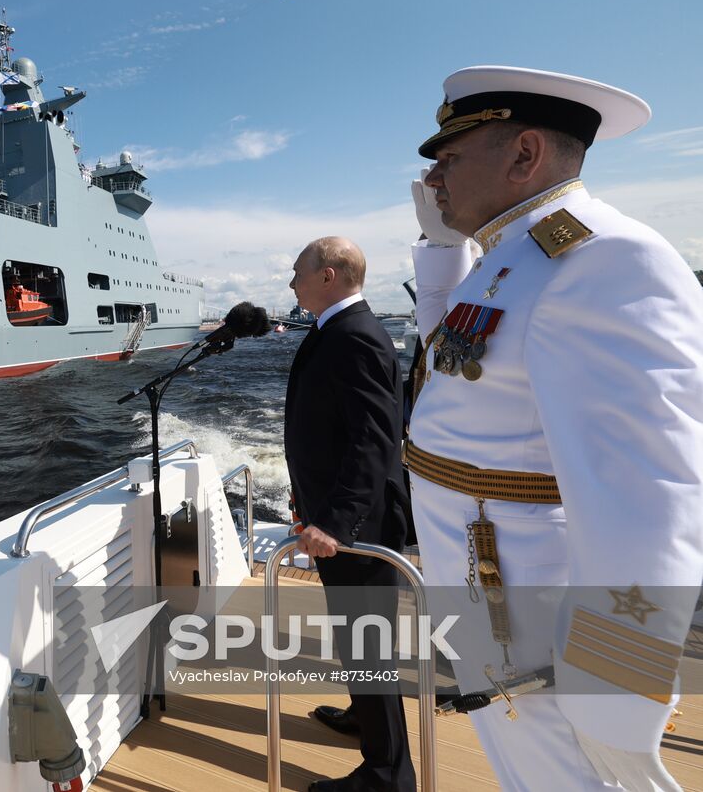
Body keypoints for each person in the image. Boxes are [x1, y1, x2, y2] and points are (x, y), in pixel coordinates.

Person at [408, 66, 703, 791]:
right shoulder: (519, 255)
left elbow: (647, 496)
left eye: (447, 159)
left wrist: (616, 695)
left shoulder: (604, 257)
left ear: (523, 153)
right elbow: (456, 364)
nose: (434, 179)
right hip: (493, 617)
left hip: (544, 645)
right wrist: (442, 251)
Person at [284, 236, 414, 792]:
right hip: (340, 513)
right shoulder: (336, 330)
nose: (291, 282)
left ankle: (387, 775)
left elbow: (374, 439)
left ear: (329, 275)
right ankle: (367, 719)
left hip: (359, 527)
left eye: (298, 273)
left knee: (368, 641)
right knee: (357, 636)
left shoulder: (355, 336)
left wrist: (335, 520)